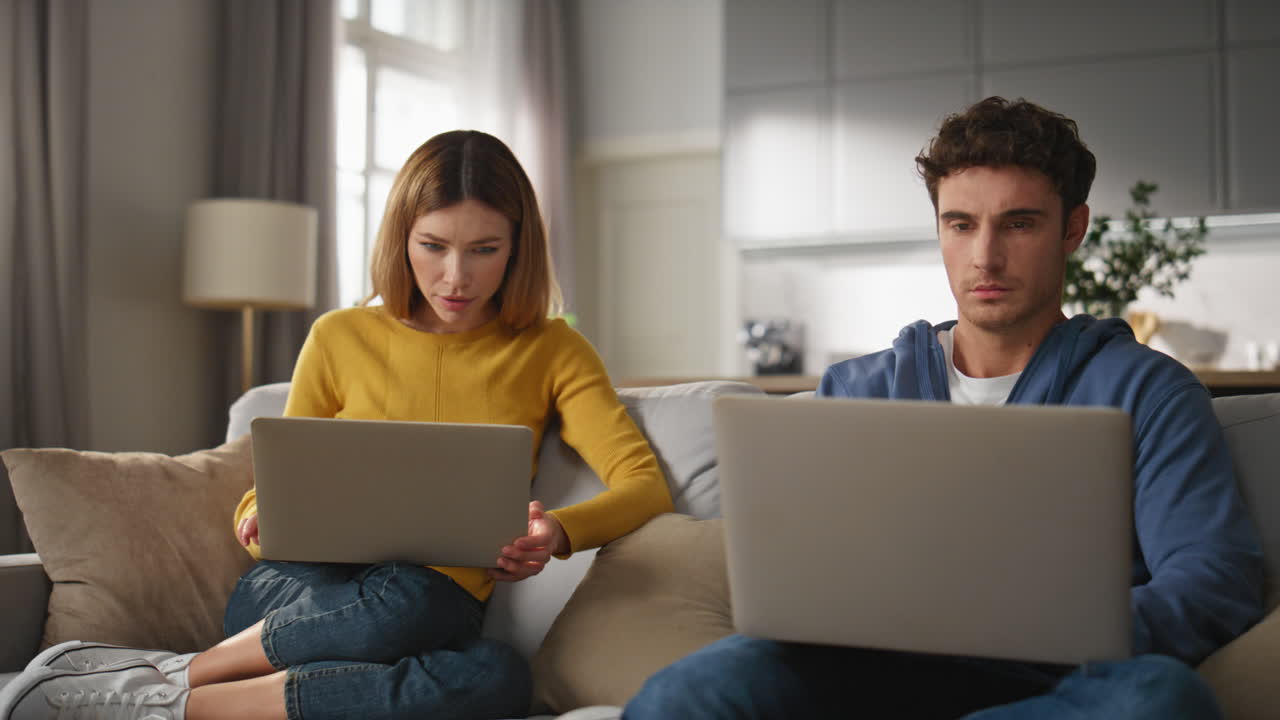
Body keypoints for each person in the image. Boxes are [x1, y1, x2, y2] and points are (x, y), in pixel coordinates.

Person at [622, 97, 1265, 719]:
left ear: (1073, 228)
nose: (985, 256)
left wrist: (1056, 629)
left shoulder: (1149, 391)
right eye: (961, 224)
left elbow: (1213, 572)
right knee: (689, 693)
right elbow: (799, 574)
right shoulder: (855, 390)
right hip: (862, 670)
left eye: (1018, 223)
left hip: (1060, 677)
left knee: (1158, 702)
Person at [2, 130, 675, 720]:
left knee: (497, 677)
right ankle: (185, 674)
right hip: (294, 594)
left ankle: (176, 699)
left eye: (485, 249)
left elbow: (643, 484)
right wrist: (259, 513)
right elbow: (277, 481)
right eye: (433, 245)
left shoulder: (551, 348)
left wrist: (559, 530)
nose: (455, 276)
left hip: (434, 610)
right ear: (401, 238)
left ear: (519, 248)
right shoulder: (340, 335)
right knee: (413, 601)